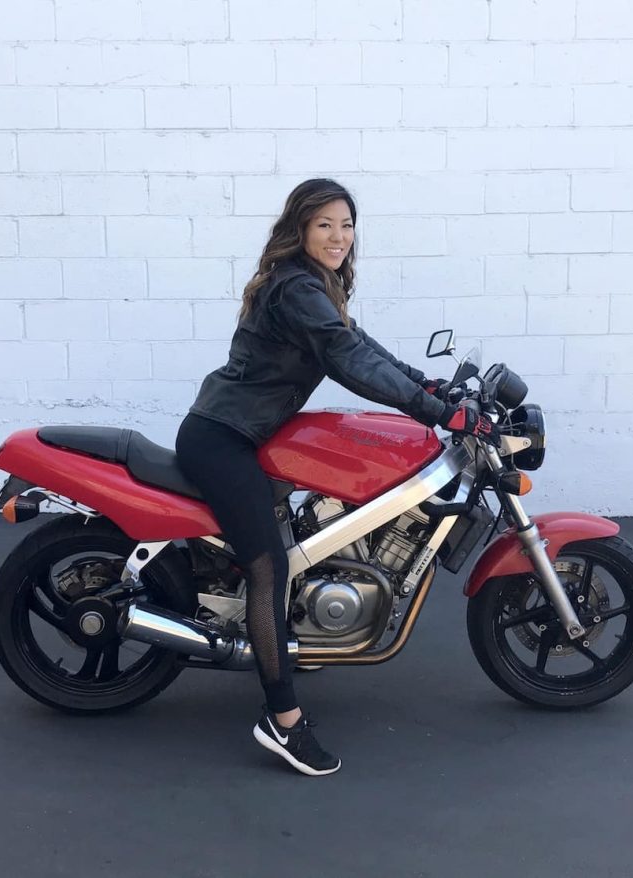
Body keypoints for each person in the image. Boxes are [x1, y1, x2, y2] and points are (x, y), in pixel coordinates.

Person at [175, 178, 491, 776]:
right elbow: (346, 361)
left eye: (346, 225)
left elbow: (359, 345)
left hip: (247, 433)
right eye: (325, 225)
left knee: (298, 537)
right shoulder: (296, 287)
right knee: (267, 565)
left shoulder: (315, 287)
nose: (339, 237)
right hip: (223, 438)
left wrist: (428, 387)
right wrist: (439, 412)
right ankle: (282, 722)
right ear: (300, 230)